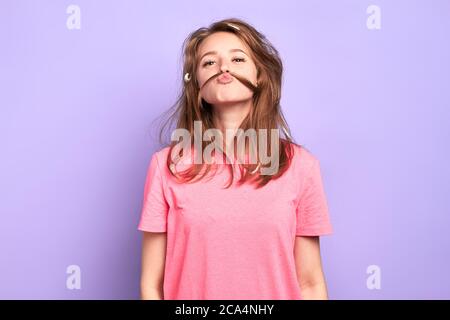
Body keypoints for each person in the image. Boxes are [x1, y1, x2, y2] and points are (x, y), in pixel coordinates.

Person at [138, 18, 333, 300]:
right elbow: (151, 286)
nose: (223, 68)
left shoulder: (300, 166)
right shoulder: (166, 165)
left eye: (238, 59)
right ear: (196, 86)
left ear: (260, 76)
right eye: (209, 63)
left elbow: (311, 284)